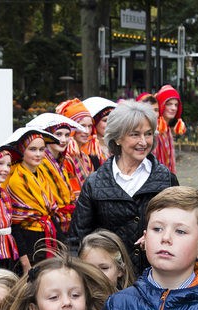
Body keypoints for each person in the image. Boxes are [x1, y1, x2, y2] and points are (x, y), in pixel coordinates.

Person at [68, 100, 178, 266]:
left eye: (148, 134)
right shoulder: (95, 183)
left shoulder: (166, 179)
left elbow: (182, 225)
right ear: (118, 138)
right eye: (135, 134)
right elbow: (77, 240)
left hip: (155, 274)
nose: (143, 142)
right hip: (109, 280)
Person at [3, 127, 62, 266]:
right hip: (28, 240)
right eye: (33, 149)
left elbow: (49, 212)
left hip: (47, 235)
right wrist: (25, 262)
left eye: (41, 149)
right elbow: (15, 224)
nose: (38, 154)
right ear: (22, 150)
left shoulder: (42, 174)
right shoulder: (17, 180)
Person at [56, 99, 98, 185]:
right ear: (71, 128)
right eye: (82, 126)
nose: (87, 131)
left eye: (89, 126)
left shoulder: (86, 158)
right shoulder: (65, 158)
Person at [152, 85, 187, 174]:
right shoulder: (154, 130)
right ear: (161, 105)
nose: (173, 108)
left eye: (176, 105)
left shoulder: (167, 130)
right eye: (169, 104)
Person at [81, 97, 116, 165]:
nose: (110, 124)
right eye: (105, 120)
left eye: (113, 120)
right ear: (94, 123)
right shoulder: (88, 148)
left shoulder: (117, 143)